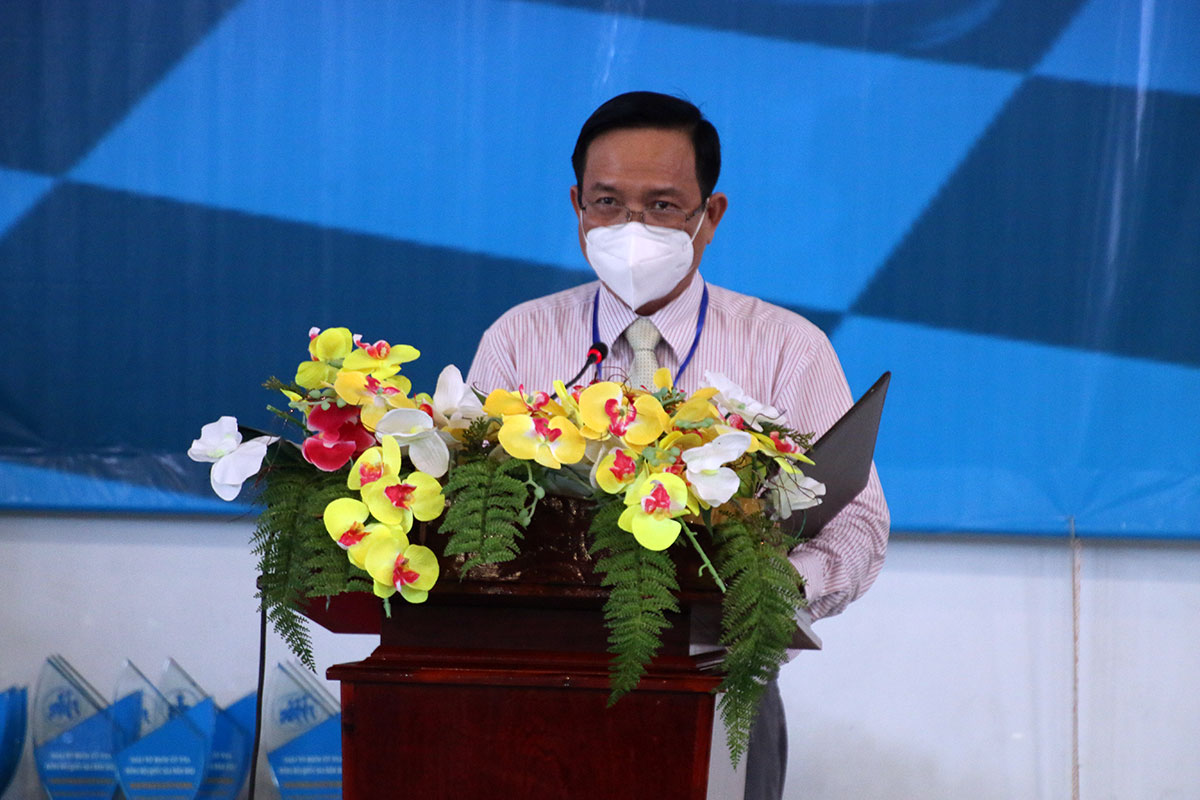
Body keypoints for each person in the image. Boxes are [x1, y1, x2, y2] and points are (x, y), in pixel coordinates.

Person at [467, 91, 889, 800]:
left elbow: (859, 521)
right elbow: (466, 510)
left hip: (721, 686)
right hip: (534, 692)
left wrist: (771, 594)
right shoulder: (520, 338)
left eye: (662, 207)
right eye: (607, 203)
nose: (631, 227)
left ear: (710, 215)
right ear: (576, 206)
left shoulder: (786, 348)